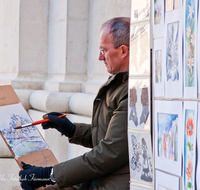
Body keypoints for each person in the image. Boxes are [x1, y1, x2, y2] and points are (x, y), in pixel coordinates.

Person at [19, 17, 130, 190]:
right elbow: (106, 137)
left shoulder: (132, 90)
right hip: (100, 177)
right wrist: (71, 129)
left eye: (104, 50)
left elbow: (110, 153)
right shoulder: (119, 83)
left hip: (112, 182)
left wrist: (47, 175)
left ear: (123, 51)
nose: (100, 57)